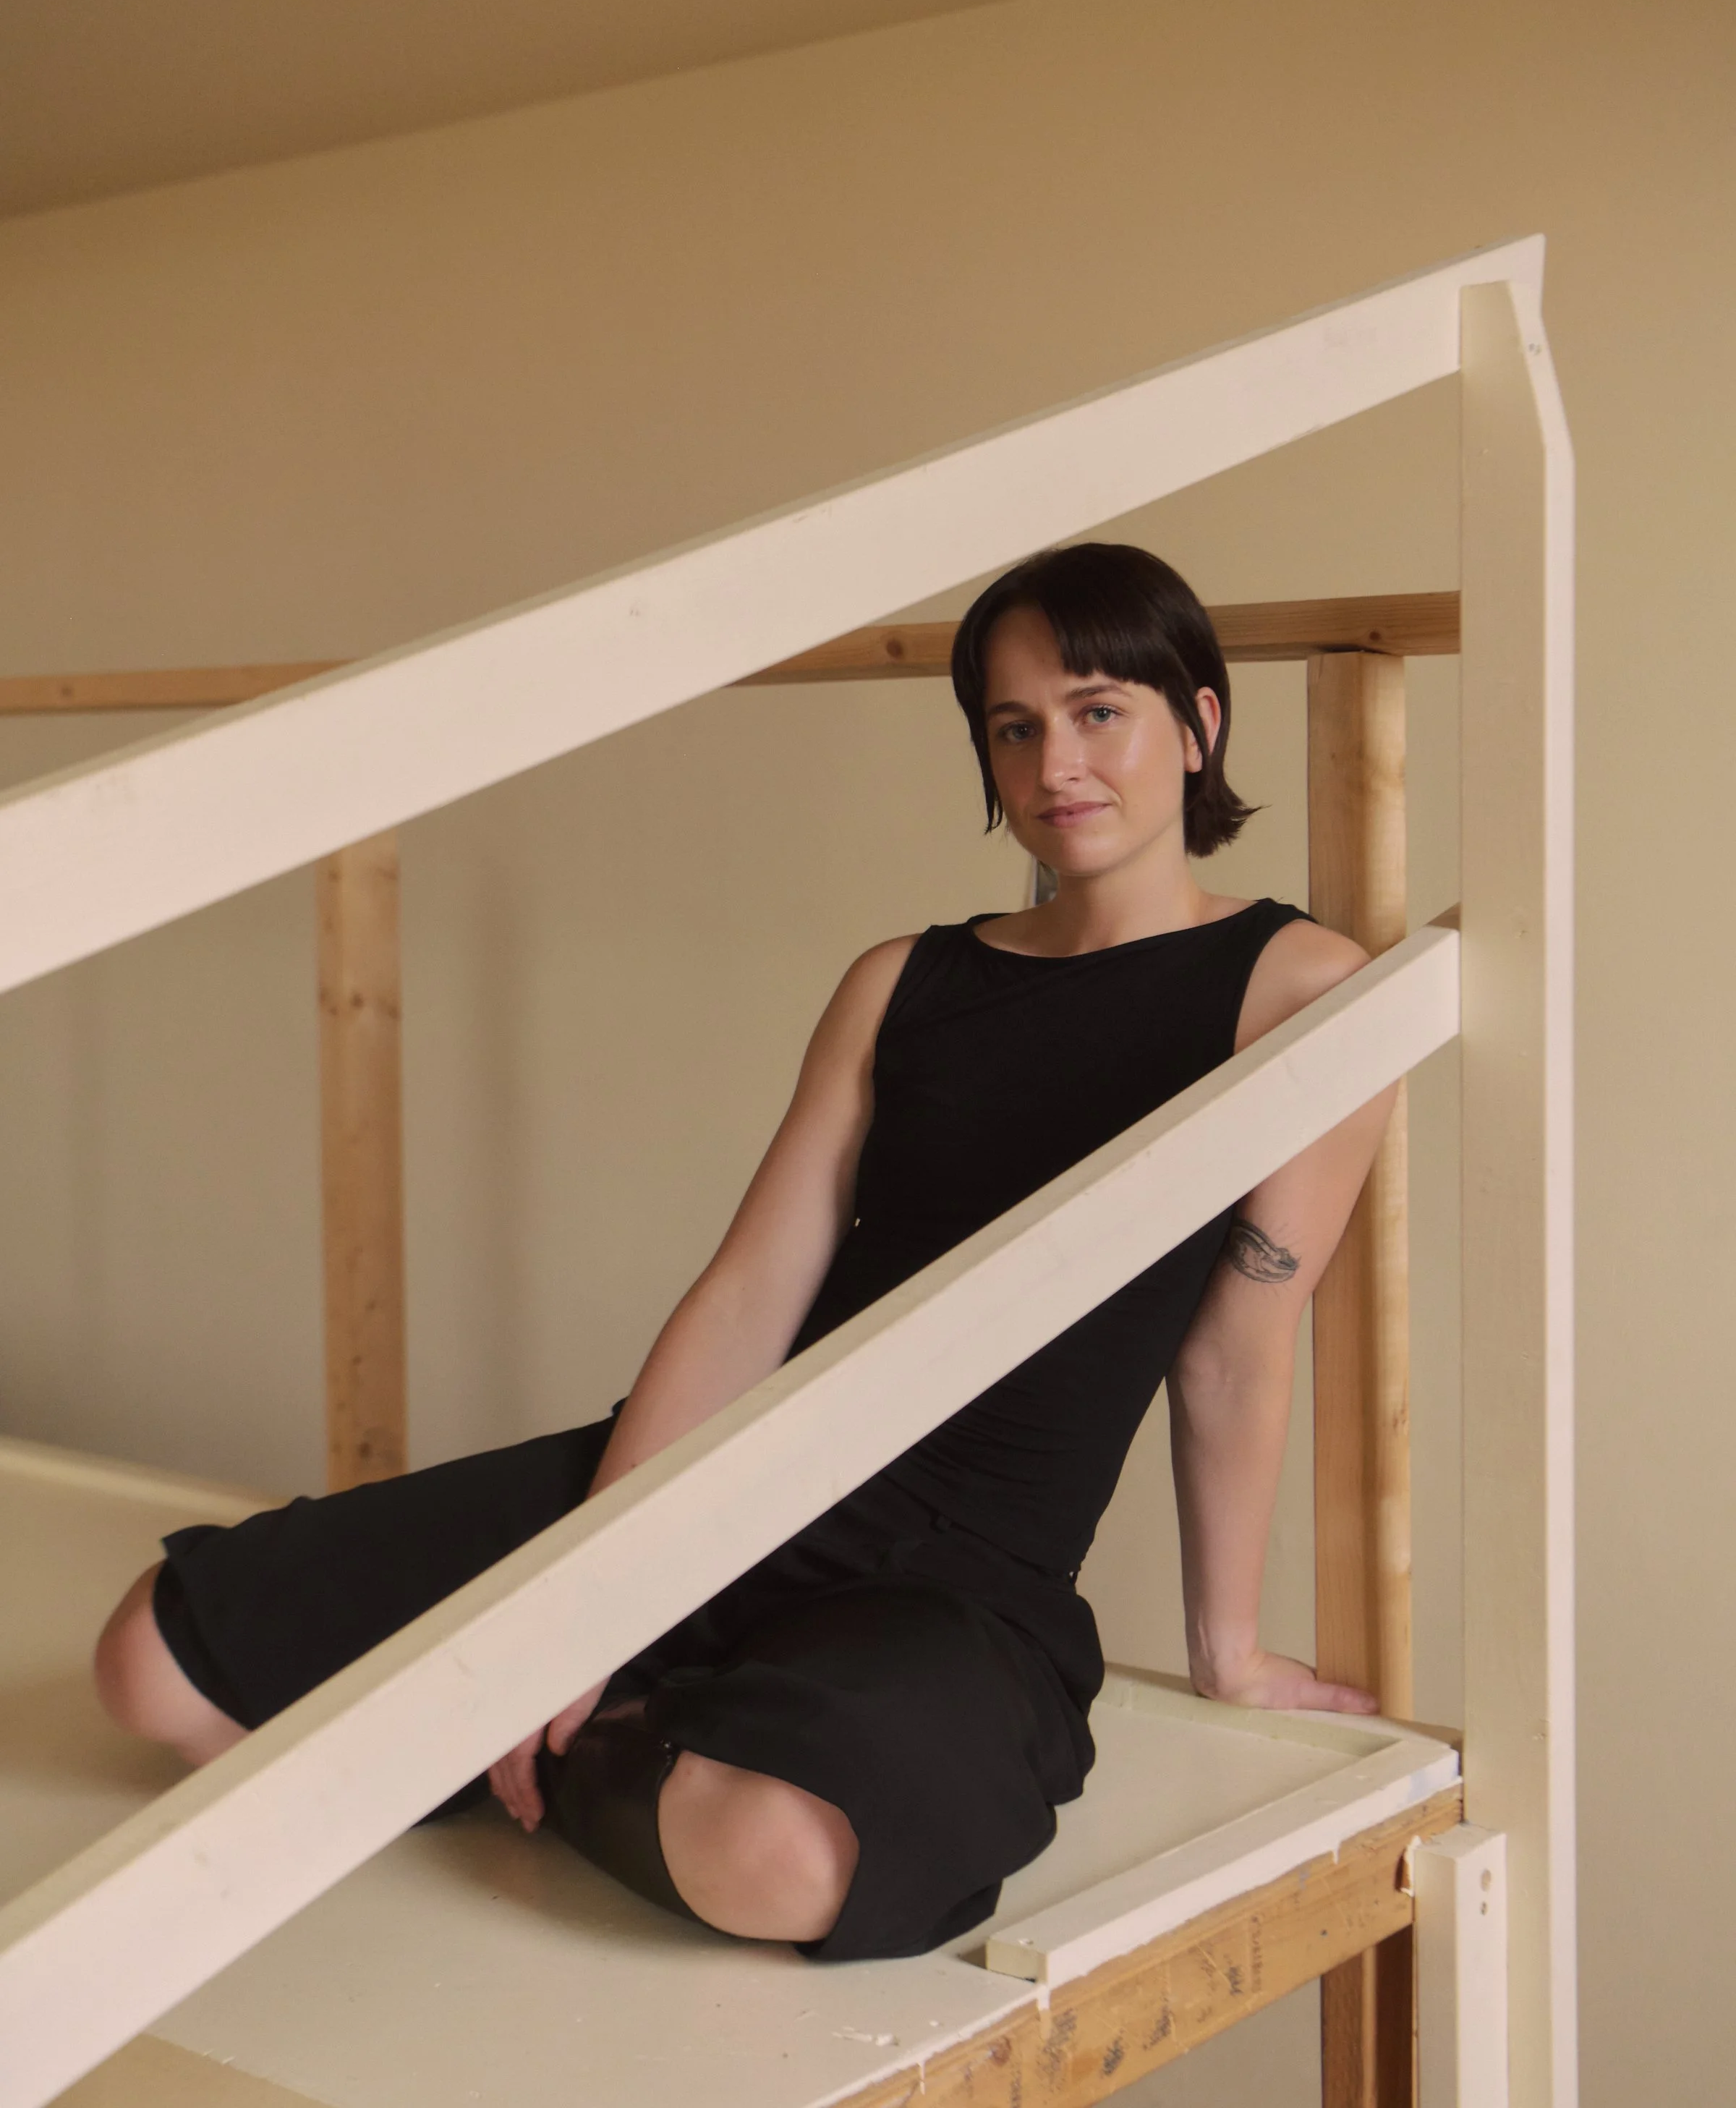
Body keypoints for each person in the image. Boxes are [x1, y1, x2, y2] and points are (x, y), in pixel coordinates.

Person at [93, 542, 1392, 1964]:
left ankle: (576, 1747)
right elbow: (745, 1298)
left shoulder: (1301, 995)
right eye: (1014, 727)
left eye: (1098, 712)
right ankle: (578, 1708)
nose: (1056, 764)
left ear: (1199, 725)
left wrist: (1227, 1649)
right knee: (155, 1664)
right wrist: (593, 1600)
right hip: (735, 1478)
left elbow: (1235, 1352)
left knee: (780, 1857)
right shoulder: (903, 982)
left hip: (963, 1577)